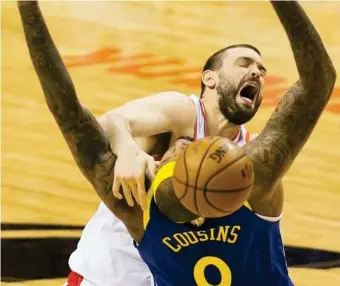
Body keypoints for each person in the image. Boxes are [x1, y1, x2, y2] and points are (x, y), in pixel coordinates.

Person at [18, 0, 336, 285]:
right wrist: (127, 148)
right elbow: (99, 121)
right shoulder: (181, 111)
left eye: (262, 70)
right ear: (209, 78)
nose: (256, 72)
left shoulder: (247, 166)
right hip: (114, 270)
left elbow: (70, 115)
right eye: (244, 63)